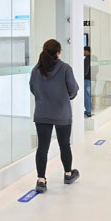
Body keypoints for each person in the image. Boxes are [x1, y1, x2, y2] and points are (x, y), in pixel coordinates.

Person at [29, 39, 79, 193]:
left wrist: (43, 98)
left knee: (42, 147)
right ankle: (68, 174)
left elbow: (32, 88)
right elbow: (73, 90)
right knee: (64, 145)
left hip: (42, 113)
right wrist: (64, 97)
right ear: (58, 52)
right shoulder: (65, 68)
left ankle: (41, 180)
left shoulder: (36, 70)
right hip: (62, 113)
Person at [84, 46, 92, 118]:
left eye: (84, 51)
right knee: (89, 95)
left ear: (87, 51)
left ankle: (88, 111)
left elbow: (85, 70)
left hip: (86, 79)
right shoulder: (92, 58)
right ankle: (89, 110)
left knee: (86, 96)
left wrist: (82, 76)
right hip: (91, 79)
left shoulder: (87, 59)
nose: (83, 52)